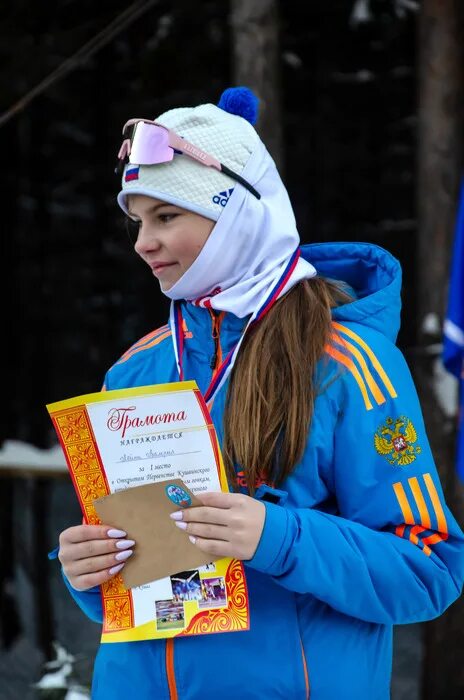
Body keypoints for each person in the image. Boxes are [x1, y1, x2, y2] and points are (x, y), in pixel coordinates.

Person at [54, 87, 464, 699]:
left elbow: (428, 570)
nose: (143, 242)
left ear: (237, 218)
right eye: (138, 220)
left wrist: (278, 537)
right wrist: (89, 574)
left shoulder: (350, 364)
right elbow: (136, 581)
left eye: (166, 216)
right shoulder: (134, 369)